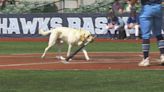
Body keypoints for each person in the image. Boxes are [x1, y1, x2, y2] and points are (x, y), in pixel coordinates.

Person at [131, 0, 164, 66]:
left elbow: (133, 1)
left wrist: (132, 3)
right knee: (158, 34)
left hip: (147, 8)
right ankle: (163, 55)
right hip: (158, 8)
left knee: (145, 35)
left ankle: (146, 59)